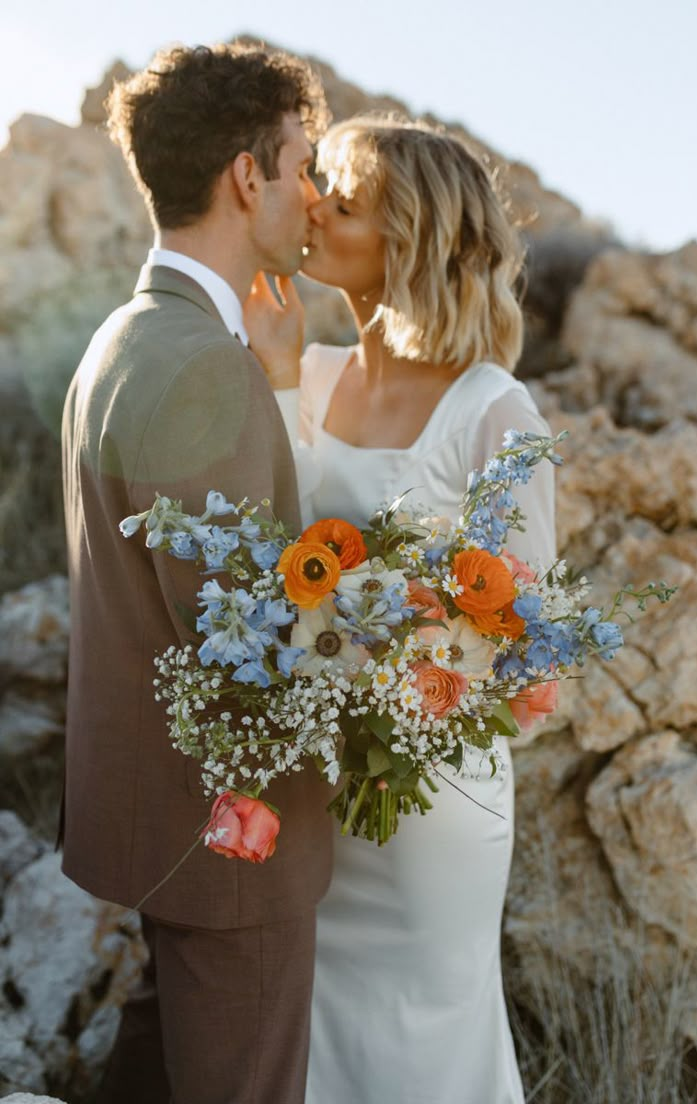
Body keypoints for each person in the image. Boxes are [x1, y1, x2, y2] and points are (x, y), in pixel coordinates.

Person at [244, 116, 556, 1104]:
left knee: (421, 1032)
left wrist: (408, 655)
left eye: (347, 197)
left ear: (408, 236)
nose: (317, 207)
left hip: (429, 801)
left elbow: (522, 632)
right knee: (316, 1024)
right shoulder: (313, 371)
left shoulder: (494, 408)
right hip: (311, 782)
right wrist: (280, 372)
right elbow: (271, 546)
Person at [60, 43, 334, 1104]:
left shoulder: (122, 339)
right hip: (229, 852)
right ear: (244, 176)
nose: (310, 196)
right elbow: (245, 647)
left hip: (150, 825)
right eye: (300, 165)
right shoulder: (203, 371)